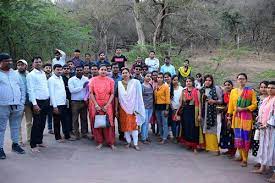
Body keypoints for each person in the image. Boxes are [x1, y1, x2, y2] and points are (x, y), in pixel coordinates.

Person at [227, 73, 257, 167]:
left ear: (246, 80)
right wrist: (229, 117)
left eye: (243, 79)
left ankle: (245, 159)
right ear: (237, 80)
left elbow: (254, 104)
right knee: (238, 137)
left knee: (245, 138)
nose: (241, 80)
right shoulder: (233, 91)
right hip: (236, 117)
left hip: (247, 117)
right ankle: (240, 156)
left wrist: (244, 109)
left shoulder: (250, 91)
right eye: (239, 79)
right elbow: (231, 105)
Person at [0, 53, 26, 159]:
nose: (10, 62)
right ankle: (0, 149)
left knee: (15, 126)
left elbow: (22, 88)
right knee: (1, 128)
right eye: (7, 61)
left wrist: (22, 102)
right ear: (1, 62)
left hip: (17, 105)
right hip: (2, 106)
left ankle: (15, 144)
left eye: (10, 61)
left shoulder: (15, 74)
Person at [116, 68, 145, 150]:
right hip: (123, 108)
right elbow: (117, 97)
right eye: (123, 73)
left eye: (126, 72)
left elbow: (139, 95)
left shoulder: (135, 82)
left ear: (129, 73)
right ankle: (128, 142)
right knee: (125, 126)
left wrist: (138, 107)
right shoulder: (119, 84)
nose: (125, 74)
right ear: (121, 74)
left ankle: (135, 144)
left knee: (134, 126)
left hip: (133, 107)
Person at [89, 64, 116, 150]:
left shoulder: (111, 80)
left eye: (105, 69)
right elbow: (91, 93)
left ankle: (110, 142)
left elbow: (112, 94)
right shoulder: (93, 80)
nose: (103, 71)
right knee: (97, 123)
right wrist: (96, 105)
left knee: (109, 123)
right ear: (98, 70)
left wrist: (107, 105)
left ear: (107, 71)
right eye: (102, 69)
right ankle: (99, 141)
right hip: (96, 104)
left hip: (107, 104)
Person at [27, 56, 50, 153]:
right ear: (32, 64)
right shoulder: (31, 75)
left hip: (45, 101)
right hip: (37, 102)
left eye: (40, 62)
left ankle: (39, 141)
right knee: (36, 123)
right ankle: (33, 145)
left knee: (42, 123)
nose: (38, 63)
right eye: (36, 62)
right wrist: (35, 104)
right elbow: (30, 90)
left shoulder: (43, 73)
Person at [252, 81, 275, 175]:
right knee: (264, 147)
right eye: (268, 87)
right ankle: (262, 168)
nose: (269, 89)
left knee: (272, 149)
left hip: (271, 129)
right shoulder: (267, 99)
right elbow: (262, 112)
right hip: (264, 128)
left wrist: (268, 124)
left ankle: (274, 174)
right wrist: (259, 119)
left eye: (272, 88)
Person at [175, 77, 203, 152]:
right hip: (185, 111)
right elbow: (181, 103)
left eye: (190, 81)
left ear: (193, 82)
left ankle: (195, 146)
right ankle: (189, 144)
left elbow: (199, 104)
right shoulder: (183, 91)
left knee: (194, 128)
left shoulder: (197, 91)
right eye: (187, 81)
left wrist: (199, 115)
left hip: (194, 111)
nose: (188, 83)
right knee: (186, 127)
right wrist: (177, 113)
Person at [201, 74, 223, 155]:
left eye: (209, 80)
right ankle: (207, 147)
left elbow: (221, 100)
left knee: (212, 130)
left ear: (212, 81)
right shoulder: (202, 89)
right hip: (204, 112)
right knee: (205, 130)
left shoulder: (216, 88)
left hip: (212, 113)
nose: (207, 82)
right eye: (206, 80)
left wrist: (214, 101)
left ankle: (216, 149)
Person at [48, 64, 71, 142]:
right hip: (56, 104)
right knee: (57, 121)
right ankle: (57, 137)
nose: (59, 71)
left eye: (60, 70)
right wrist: (54, 106)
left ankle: (67, 136)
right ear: (53, 70)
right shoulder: (51, 80)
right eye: (57, 69)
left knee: (65, 120)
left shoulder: (61, 78)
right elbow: (51, 93)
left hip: (63, 103)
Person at [68, 65, 89, 139]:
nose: (79, 71)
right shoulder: (71, 79)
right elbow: (72, 90)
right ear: (75, 70)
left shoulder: (86, 79)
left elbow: (88, 90)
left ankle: (84, 133)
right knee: (75, 118)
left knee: (84, 118)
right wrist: (82, 87)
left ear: (83, 70)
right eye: (77, 70)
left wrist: (87, 98)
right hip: (75, 102)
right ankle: (76, 134)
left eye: (80, 70)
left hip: (84, 101)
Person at [16, 59, 32, 146]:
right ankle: (18, 141)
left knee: (29, 122)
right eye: (18, 65)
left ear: (26, 66)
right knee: (17, 122)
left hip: (28, 103)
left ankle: (29, 138)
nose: (20, 66)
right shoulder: (14, 75)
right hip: (19, 103)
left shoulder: (29, 75)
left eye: (22, 65)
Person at [251, 81, 269, 162]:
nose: (263, 89)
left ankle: (265, 161)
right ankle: (259, 161)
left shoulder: (271, 98)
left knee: (266, 142)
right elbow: (254, 110)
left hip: (267, 123)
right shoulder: (257, 98)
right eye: (261, 87)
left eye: (265, 87)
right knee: (257, 141)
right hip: (258, 123)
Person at [219, 80, 236, 158]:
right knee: (225, 132)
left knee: (232, 133)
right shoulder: (224, 95)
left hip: (233, 115)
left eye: (229, 85)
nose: (227, 86)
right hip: (225, 116)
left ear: (232, 86)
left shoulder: (235, 94)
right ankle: (229, 150)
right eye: (225, 85)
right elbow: (223, 105)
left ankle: (233, 151)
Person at [154, 72, 170, 144]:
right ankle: (161, 135)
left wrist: (167, 109)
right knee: (159, 123)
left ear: (163, 78)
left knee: (165, 123)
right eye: (158, 77)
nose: (159, 79)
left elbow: (167, 98)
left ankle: (164, 137)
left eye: (161, 77)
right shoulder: (156, 86)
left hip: (164, 106)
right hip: (157, 107)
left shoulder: (166, 86)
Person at [111, 63, 123, 141]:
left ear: (118, 69)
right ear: (111, 68)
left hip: (120, 100)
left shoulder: (122, 78)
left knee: (120, 119)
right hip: (110, 101)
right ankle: (111, 136)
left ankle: (121, 135)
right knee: (111, 119)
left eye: (116, 68)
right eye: (114, 67)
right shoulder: (108, 78)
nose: (115, 69)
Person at [170, 75, 184, 143]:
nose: (175, 81)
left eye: (177, 80)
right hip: (172, 109)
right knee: (174, 124)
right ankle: (175, 137)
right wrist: (173, 109)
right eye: (174, 80)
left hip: (180, 109)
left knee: (179, 124)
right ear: (172, 81)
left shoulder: (181, 88)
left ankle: (179, 137)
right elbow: (169, 100)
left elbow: (181, 100)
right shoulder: (169, 88)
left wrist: (178, 110)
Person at [141, 72, 154, 144]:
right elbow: (140, 97)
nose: (149, 77)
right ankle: (143, 138)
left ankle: (146, 136)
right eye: (147, 76)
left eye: (150, 76)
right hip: (144, 107)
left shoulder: (150, 85)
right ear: (144, 77)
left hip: (150, 107)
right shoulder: (142, 86)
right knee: (144, 123)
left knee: (147, 123)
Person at [62, 64, 73, 133]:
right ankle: (66, 130)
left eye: (67, 68)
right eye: (65, 68)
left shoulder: (72, 77)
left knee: (71, 114)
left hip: (73, 98)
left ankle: (71, 129)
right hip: (65, 99)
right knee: (66, 115)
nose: (66, 70)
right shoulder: (61, 78)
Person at [43, 63, 53, 134]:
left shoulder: (53, 76)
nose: (48, 69)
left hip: (51, 97)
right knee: (43, 114)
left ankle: (50, 128)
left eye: (49, 68)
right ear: (44, 69)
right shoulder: (42, 76)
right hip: (43, 97)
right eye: (47, 68)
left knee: (50, 114)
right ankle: (42, 128)